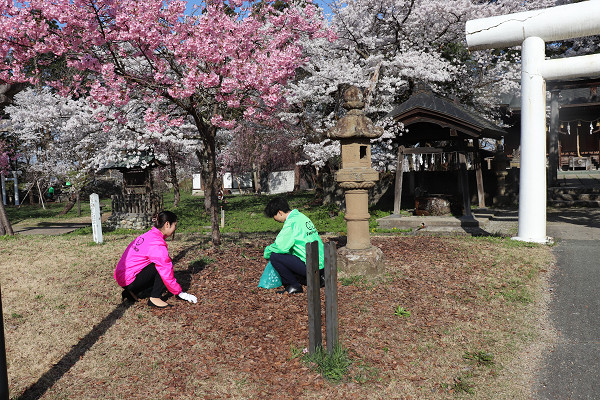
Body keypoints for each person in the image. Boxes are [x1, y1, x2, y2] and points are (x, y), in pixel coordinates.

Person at [114, 210, 198, 308]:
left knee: (159, 265)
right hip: (129, 279)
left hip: (122, 276)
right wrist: (180, 293)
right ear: (167, 224)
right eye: (175, 225)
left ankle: (133, 292)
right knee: (161, 266)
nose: (175, 228)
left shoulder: (148, 235)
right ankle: (155, 298)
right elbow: (166, 272)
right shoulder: (157, 245)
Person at [263, 197, 324, 294]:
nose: (274, 219)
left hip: (311, 266)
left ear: (280, 212)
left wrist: (267, 252)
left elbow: (280, 247)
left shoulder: (291, 223)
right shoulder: (301, 216)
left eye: (273, 216)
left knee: (274, 256)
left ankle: (293, 285)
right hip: (321, 264)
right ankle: (316, 278)